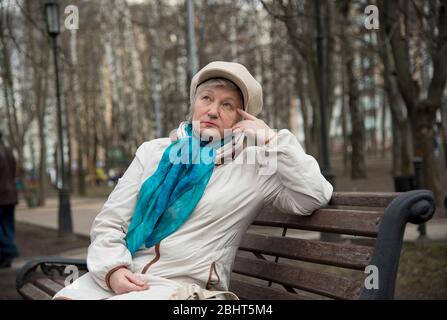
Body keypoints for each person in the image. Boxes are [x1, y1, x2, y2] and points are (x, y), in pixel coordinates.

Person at [53, 61, 333, 300]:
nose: (212, 111)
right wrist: (113, 270)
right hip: (123, 274)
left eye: (227, 105)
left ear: (243, 117)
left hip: (186, 289)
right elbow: (110, 222)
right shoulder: (154, 152)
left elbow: (314, 195)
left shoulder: (257, 162)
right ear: (193, 104)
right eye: (206, 99)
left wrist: (274, 140)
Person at [0, 131, 20, 268]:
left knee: (1, 227)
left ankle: (9, 250)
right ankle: (6, 257)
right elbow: (14, 172)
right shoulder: (8, 151)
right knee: (7, 226)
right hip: (11, 195)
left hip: (1, 196)